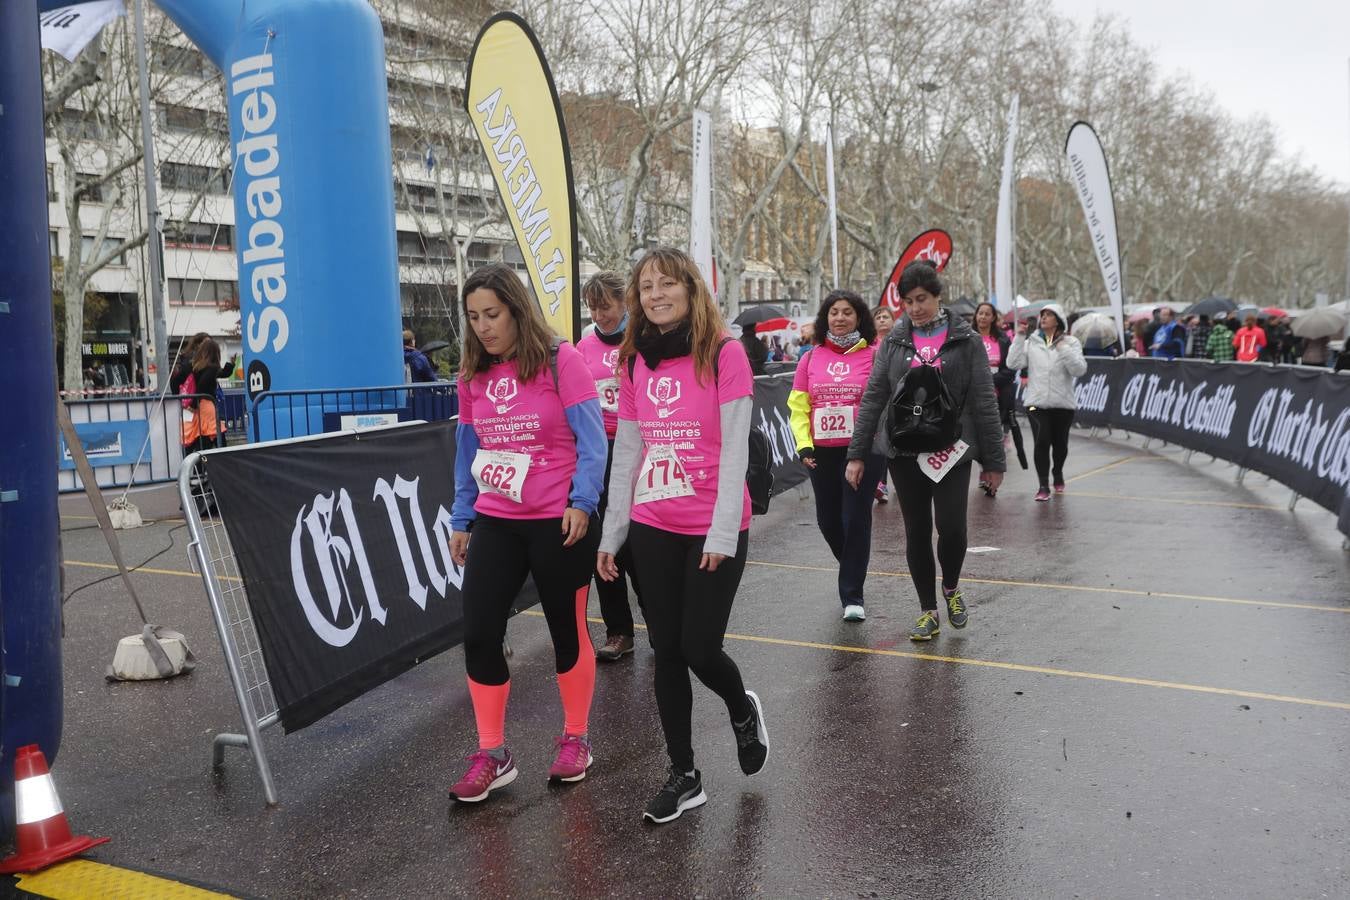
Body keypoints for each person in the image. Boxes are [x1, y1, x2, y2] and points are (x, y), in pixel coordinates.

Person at [597, 246, 769, 825]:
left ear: (691, 290)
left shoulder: (725, 353)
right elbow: (628, 451)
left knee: (700, 648)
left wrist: (721, 532)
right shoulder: (633, 362)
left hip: (713, 527)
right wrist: (612, 535)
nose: (655, 294)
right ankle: (684, 774)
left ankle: (742, 708)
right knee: (666, 651)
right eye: (646, 286)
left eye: (667, 283)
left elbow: (736, 446)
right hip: (653, 524)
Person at [447, 263, 607, 803]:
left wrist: (582, 502)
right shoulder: (472, 375)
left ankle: (576, 738)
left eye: (492, 314)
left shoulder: (563, 361)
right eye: (473, 317)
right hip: (498, 518)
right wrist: (461, 517)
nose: (483, 327)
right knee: (478, 630)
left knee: (568, 628)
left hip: (559, 518)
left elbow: (593, 441)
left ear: (517, 309)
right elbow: (469, 452)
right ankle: (493, 752)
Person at [846, 260, 1006, 641]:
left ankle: (950, 587)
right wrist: (857, 454)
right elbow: (874, 397)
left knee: (951, 528)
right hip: (903, 450)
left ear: (938, 297)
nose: (915, 308)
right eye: (907, 301)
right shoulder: (894, 342)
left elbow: (984, 400)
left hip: (951, 449)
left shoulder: (965, 341)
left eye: (922, 299)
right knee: (916, 531)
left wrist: (993, 461)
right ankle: (927, 610)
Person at [788, 290, 883, 622]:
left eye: (847, 312)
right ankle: (854, 567)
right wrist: (804, 444)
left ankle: (852, 594)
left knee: (855, 518)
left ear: (859, 318)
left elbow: (883, 404)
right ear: (824, 318)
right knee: (828, 521)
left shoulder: (874, 355)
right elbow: (798, 407)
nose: (840, 318)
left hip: (863, 450)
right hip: (821, 453)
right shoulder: (811, 358)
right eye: (833, 313)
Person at [576, 271, 642, 662]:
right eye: (593, 307)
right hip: (598, 453)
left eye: (606, 306)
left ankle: (661, 623)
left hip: (637, 451)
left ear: (624, 303)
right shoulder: (582, 348)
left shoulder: (642, 341)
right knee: (606, 544)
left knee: (640, 544)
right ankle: (618, 631)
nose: (600, 314)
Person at [1006, 303, 1086, 501]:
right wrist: (1019, 337)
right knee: (1041, 441)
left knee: (1060, 445)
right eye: (1043, 315)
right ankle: (1043, 485)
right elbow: (1013, 364)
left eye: (1049, 315)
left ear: (1058, 320)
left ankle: (1057, 473)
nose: (1044, 318)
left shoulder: (1071, 342)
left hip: (1063, 404)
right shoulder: (1031, 341)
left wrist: (1062, 348)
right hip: (1035, 403)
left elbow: (1079, 369)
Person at [972, 301, 1014, 453]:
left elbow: (1010, 368)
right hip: (974, 391)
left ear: (993, 318)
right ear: (976, 316)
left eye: (987, 314)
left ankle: (1002, 438)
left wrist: (990, 380)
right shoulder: (967, 338)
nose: (983, 317)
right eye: (980, 313)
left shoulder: (1003, 339)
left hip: (998, 389)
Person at [871, 305, 896, 502]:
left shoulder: (899, 342)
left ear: (893, 321)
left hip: (898, 398)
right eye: (878, 317)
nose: (881, 319)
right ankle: (881, 484)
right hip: (878, 399)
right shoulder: (868, 345)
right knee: (880, 439)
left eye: (886, 316)